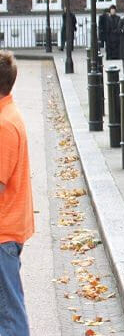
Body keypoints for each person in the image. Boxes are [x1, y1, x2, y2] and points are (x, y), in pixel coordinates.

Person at [0, 52, 31, 336]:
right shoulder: (7, 114)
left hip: (2, 233)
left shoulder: (3, 125)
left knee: (8, 316)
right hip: (8, 230)